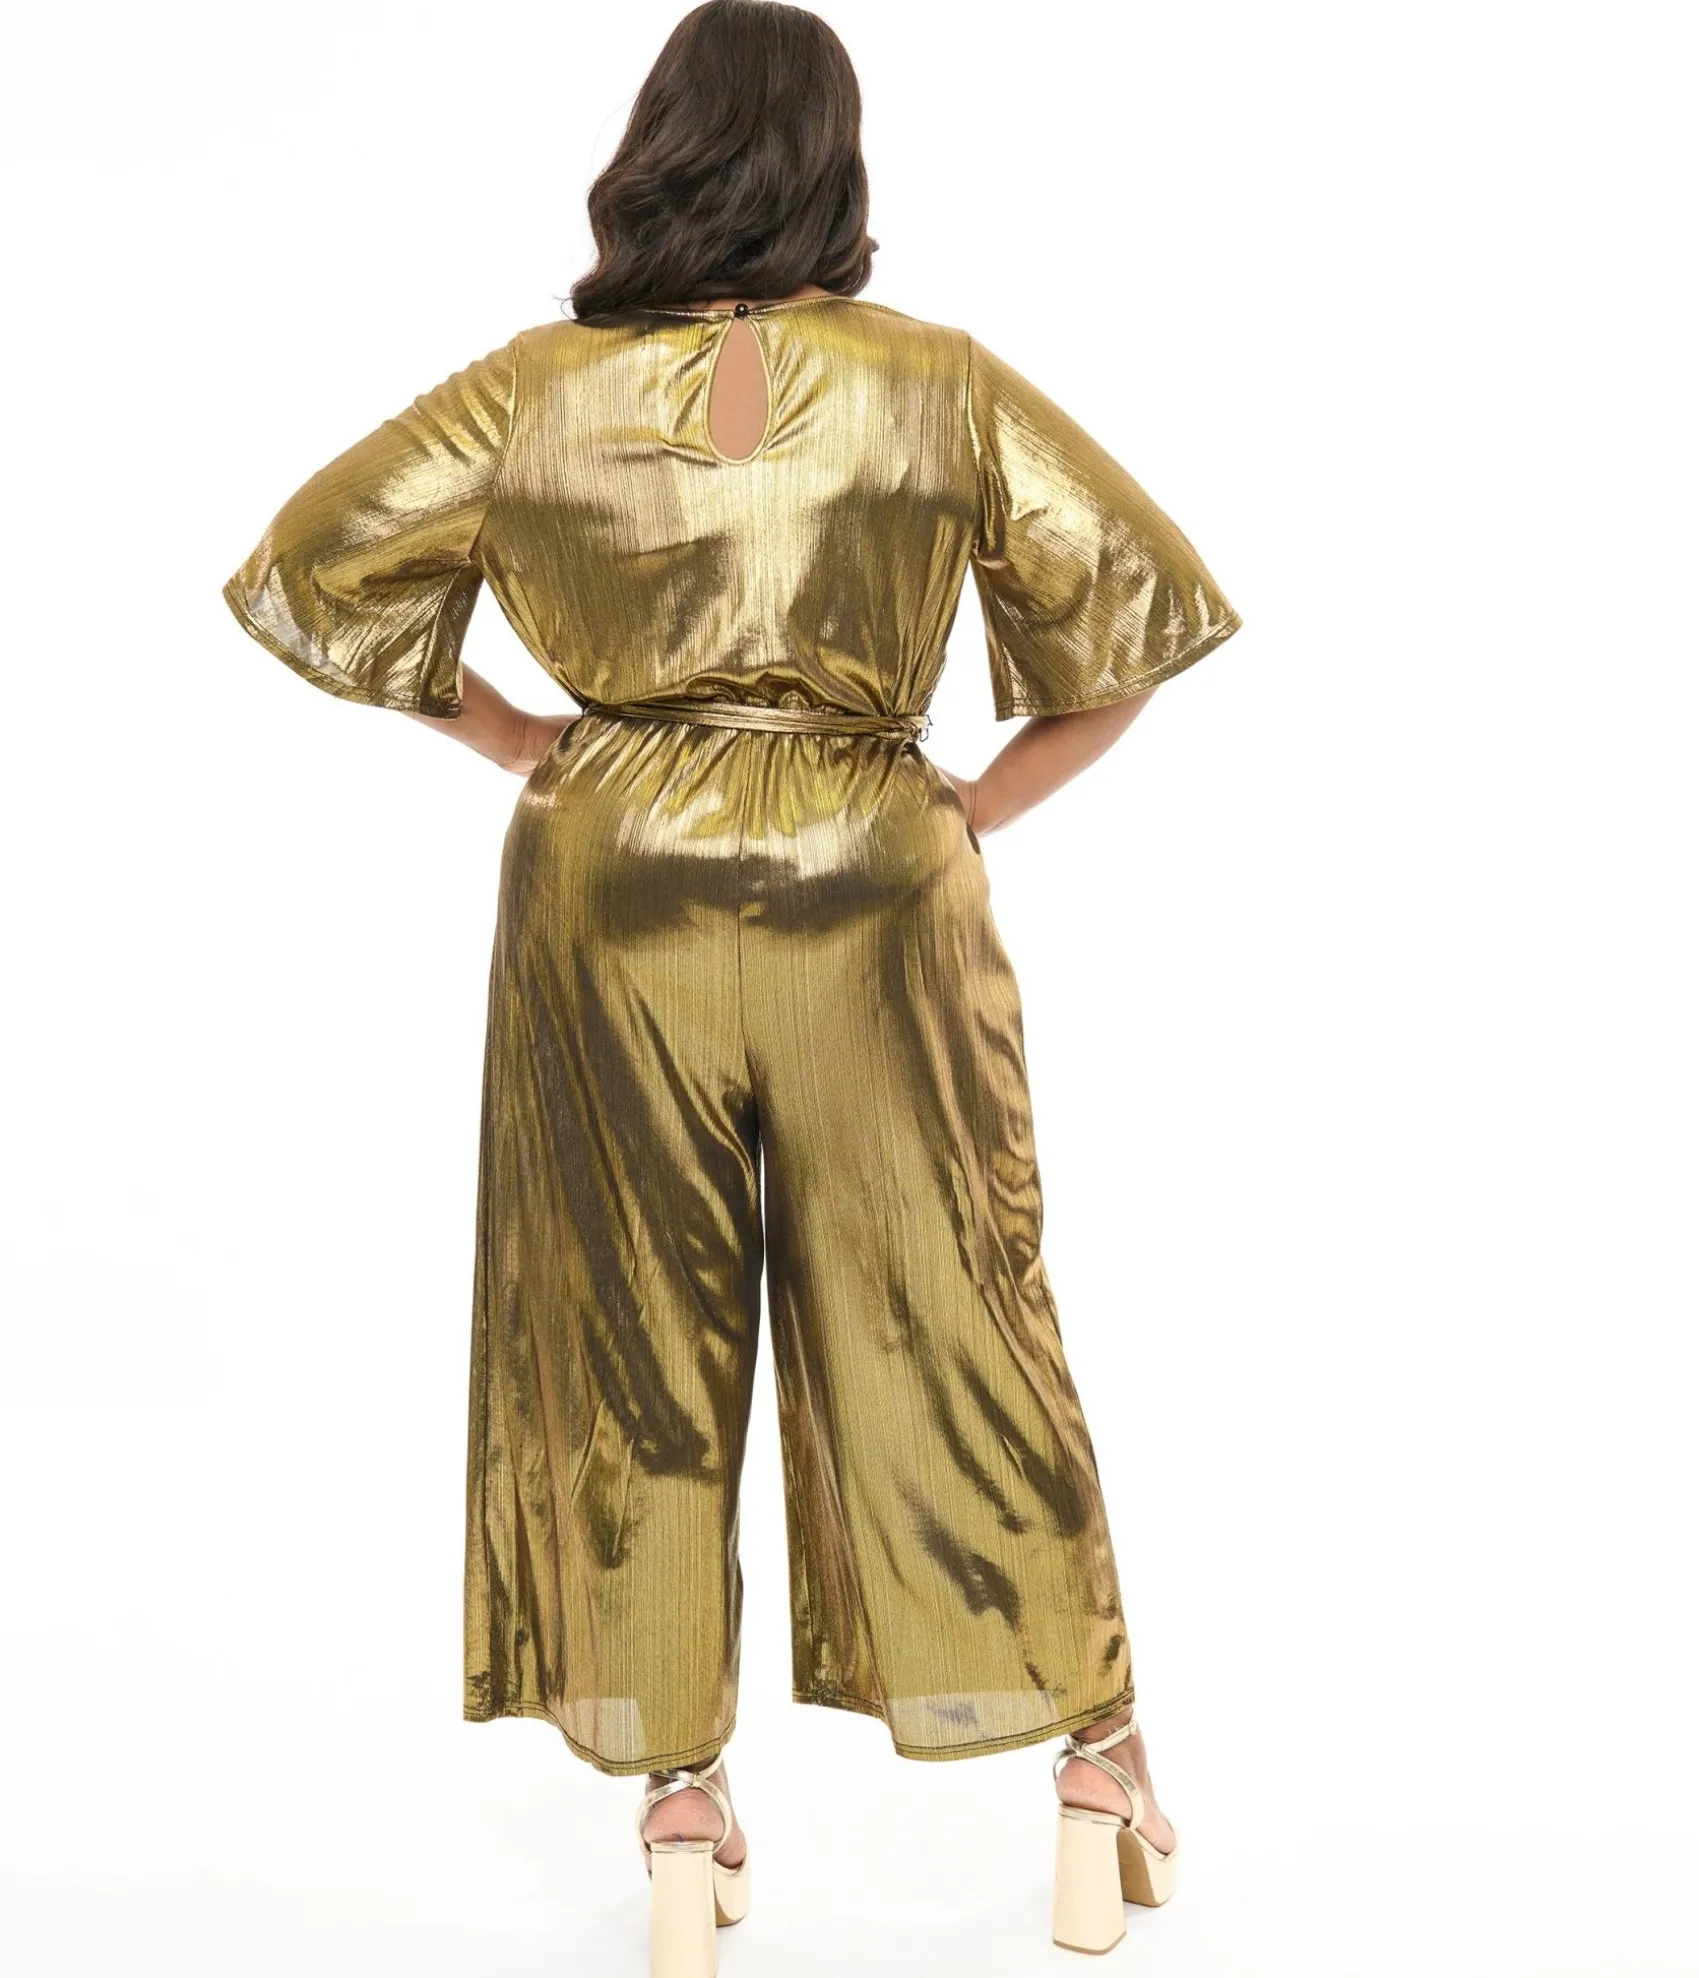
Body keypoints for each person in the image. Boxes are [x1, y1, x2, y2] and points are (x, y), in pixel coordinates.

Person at [219, 0, 1243, 1966]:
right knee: (956, 1299)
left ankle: (681, 1802)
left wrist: (527, 740)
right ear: (836, 163)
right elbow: (1132, 617)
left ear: (659, 150)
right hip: (876, 874)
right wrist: (965, 806)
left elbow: (307, 566)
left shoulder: (534, 390)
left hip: (608, 880)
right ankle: (1095, 1764)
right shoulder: (936, 383)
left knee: (628, 1326)